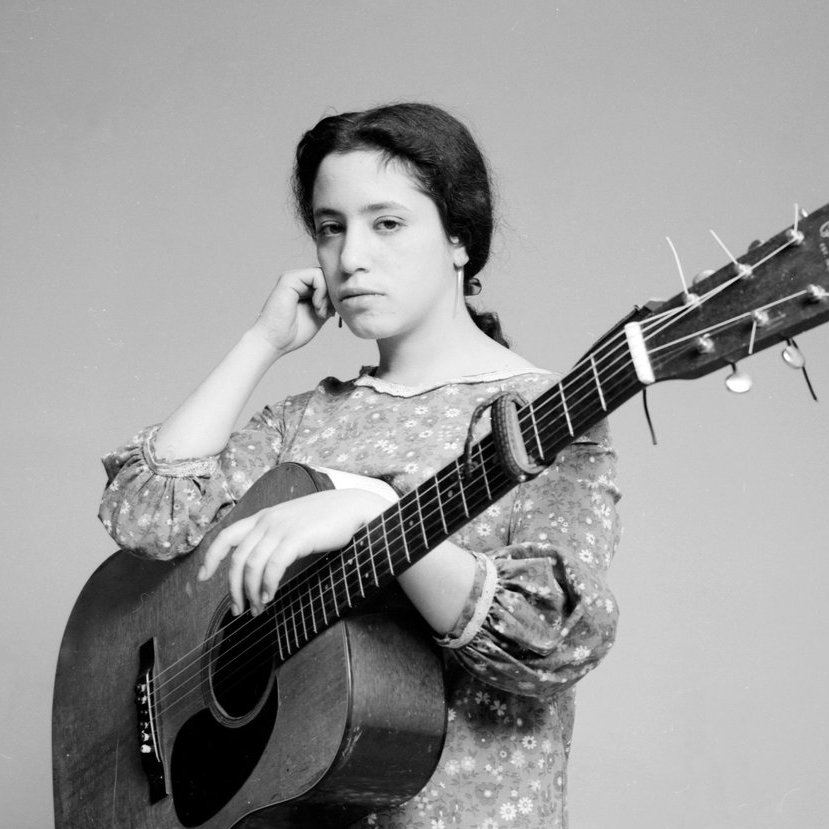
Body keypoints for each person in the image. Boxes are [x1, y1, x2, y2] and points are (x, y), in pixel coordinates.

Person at [99, 102, 621, 828]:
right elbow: (146, 516)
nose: (349, 258)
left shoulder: (541, 413)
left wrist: (378, 515)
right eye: (329, 227)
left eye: (387, 223)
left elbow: (552, 638)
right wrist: (262, 341)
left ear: (459, 237)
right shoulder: (306, 420)